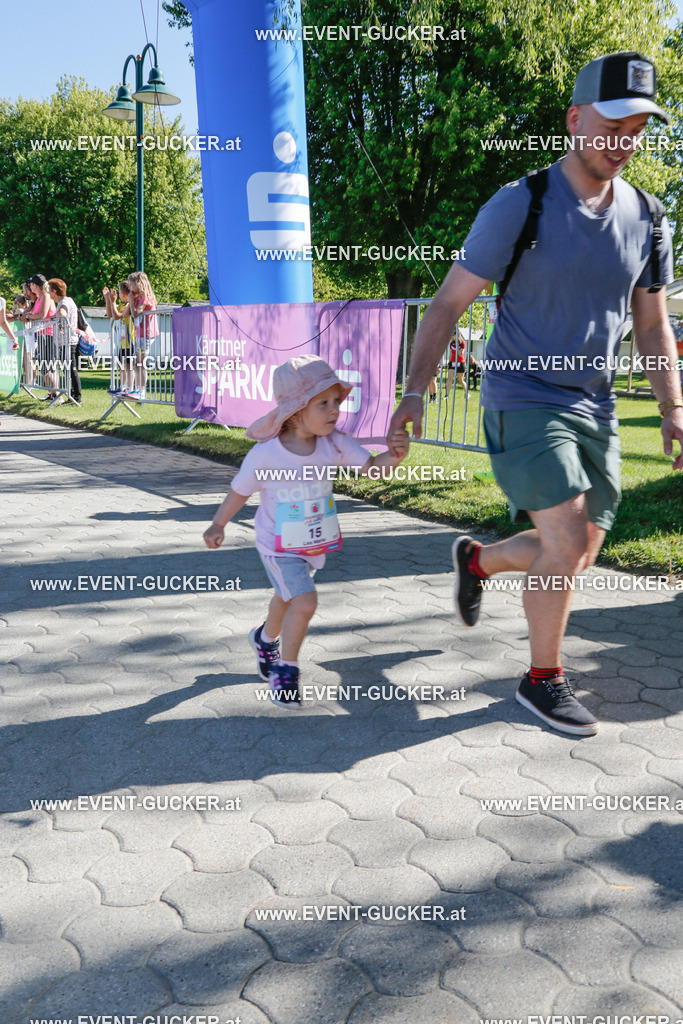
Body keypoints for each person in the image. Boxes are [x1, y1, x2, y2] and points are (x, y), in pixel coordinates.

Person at [389, 51, 683, 738]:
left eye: (638, 128)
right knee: (569, 535)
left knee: (575, 552)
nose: (624, 141)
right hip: (520, 395)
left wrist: (671, 408)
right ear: (575, 119)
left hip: (596, 406)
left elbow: (650, 321)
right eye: (612, 124)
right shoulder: (519, 202)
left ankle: (477, 560)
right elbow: (445, 306)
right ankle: (541, 679)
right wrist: (414, 393)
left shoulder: (649, 215)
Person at [204, 355, 410, 705]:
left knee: (287, 597)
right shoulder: (266, 454)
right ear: (296, 410)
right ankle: (287, 669)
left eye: (336, 402)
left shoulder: (334, 443)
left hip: (313, 543)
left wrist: (395, 457)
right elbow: (240, 490)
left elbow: (372, 469)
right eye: (323, 403)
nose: (334, 411)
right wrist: (218, 523)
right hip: (277, 545)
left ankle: (264, 640)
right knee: (305, 599)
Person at [115, 271, 157, 399]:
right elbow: (124, 314)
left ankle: (141, 391)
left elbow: (135, 314)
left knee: (140, 363)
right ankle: (137, 390)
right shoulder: (138, 297)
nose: (130, 289)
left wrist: (131, 300)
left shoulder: (145, 297)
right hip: (139, 334)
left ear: (139, 284)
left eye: (132, 285)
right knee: (137, 363)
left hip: (146, 334)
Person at [20, 274, 57, 398]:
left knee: (47, 366)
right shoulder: (39, 299)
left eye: (30, 285)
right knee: (44, 366)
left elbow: (42, 314)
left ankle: (58, 395)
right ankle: (51, 394)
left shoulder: (46, 296)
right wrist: (23, 316)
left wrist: (28, 317)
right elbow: (30, 313)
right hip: (41, 334)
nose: (29, 287)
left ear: (35, 285)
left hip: (48, 334)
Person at [48, 279, 81, 405]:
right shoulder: (66, 301)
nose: (49, 294)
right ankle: (72, 396)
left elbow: (62, 313)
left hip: (68, 341)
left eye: (49, 291)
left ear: (54, 291)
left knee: (71, 370)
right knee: (68, 369)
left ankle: (76, 398)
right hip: (65, 341)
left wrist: (54, 316)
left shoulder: (65, 302)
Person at [103, 281, 135, 394]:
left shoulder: (129, 305)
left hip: (130, 341)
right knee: (122, 365)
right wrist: (108, 300)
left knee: (129, 366)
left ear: (123, 293)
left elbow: (116, 316)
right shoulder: (121, 304)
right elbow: (110, 314)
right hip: (122, 342)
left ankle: (129, 388)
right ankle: (122, 386)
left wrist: (113, 301)